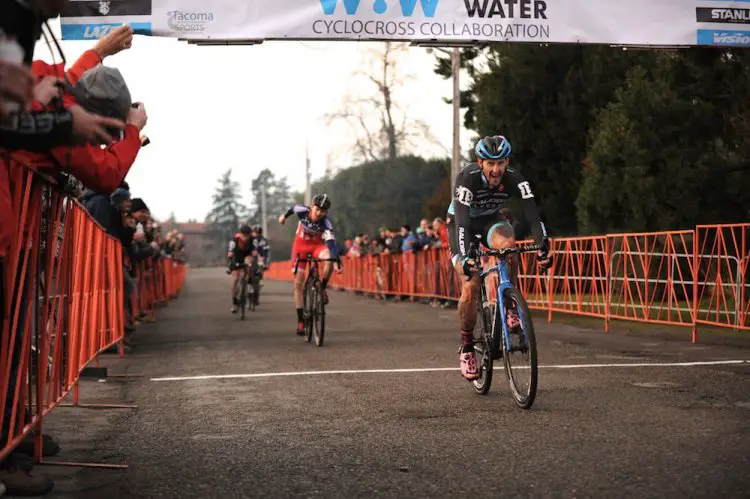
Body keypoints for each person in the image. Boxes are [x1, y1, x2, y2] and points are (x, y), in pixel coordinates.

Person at [447, 135, 551, 381]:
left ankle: (509, 303)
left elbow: (532, 214)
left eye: (501, 163)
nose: (496, 170)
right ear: (480, 162)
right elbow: (462, 222)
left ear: (507, 162)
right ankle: (467, 346)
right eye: (490, 164)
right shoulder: (467, 179)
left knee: (509, 246)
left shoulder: (515, 178)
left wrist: (543, 244)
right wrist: (464, 258)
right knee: (470, 285)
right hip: (463, 226)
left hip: (490, 220)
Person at [278, 194, 341, 335]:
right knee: (298, 283)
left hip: (316, 247)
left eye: (323, 211)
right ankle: (300, 320)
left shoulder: (326, 223)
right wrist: (283, 217)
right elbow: (293, 208)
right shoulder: (302, 211)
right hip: (300, 248)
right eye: (317, 209)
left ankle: (322, 287)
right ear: (312, 205)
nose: (319, 213)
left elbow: (331, 243)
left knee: (329, 259)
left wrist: (335, 259)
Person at [226, 224, 254, 314]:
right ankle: (234, 302)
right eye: (244, 235)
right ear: (240, 234)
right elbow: (230, 253)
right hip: (237, 258)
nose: (245, 237)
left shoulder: (252, 240)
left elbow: (254, 251)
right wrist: (230, 263)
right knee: (235, 280)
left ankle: (248, 282)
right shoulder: (234, 240)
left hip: (247, 256)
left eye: (247, 235)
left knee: (248, 262)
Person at [249, 225, 269, 306]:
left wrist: (265, 262)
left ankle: (260, 282)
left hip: (260, 258)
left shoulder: (264, 241)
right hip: (250, 257)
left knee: (260, 269)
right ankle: (248, 282)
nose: (256, 234)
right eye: (255, 233)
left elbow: (266, 252)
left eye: (258, 233)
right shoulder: (249, 239)